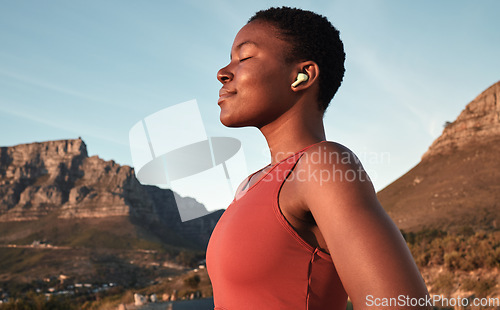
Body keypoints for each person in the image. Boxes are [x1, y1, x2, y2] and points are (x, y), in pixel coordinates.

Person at [206, 6, 430, 310]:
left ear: (302, 75)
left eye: (244, 57)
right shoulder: (250, 185)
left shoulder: (323, 165)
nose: (223, 72)